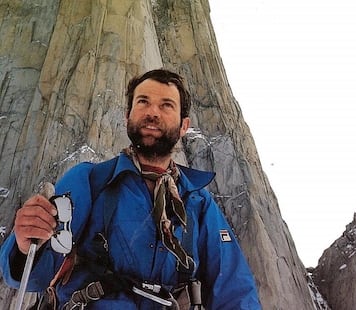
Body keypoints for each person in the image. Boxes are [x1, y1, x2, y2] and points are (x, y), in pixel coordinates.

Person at [0, 69, 261, 309]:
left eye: (166, 105)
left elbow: (234, 290)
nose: (153, 113)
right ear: (128, 116)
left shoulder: (198, 203)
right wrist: (25, 246)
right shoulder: (90, 181)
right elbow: (35, 277)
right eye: (143, 102)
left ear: (183, 125)